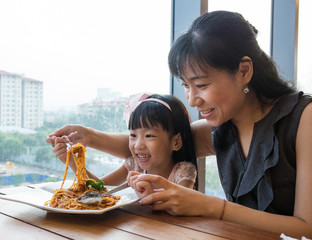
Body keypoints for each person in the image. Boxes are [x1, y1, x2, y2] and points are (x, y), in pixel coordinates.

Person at [46, 11, 312, 238]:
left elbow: (307, 228)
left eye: (201, 85)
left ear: (244, 71)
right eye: (186, 85)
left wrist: (208, 206)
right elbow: (153, 143)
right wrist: (89, 137)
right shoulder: (223, 125)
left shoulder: (304, 119)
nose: (193, 100)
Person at [49, 94, 198, 197]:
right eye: (133, 135)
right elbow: (99, 190)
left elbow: (179, 203)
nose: (138, 145)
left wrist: (148, 193)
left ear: (176, 142)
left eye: (149, 136)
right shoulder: (134, 166)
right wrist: (74, 164)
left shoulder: (183, 172)